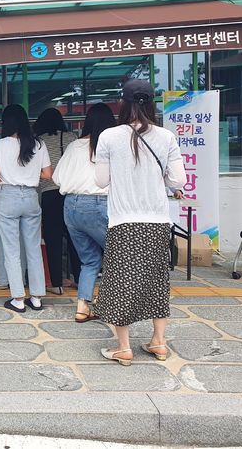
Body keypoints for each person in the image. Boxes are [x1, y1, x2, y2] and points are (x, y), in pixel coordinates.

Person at [94, 79, 186, 366]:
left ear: (123, 103)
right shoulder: (166, 137)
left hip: (123, 220)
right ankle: (158, 342)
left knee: (121, 281)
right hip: (157, 220)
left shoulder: (108, 136)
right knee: (157, 280)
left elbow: (101, 181)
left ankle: (123, 346)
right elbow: (178, 180)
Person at [53, 103, 116, 322]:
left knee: (89, 260)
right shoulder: (112, 147)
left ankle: (82, 307)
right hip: (101, 204)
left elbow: (57, 178)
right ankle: (104, 302)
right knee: (117, 255)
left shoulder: (74, 146)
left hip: (71, 207)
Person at [0, 104, 53, 313]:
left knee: (12, 250)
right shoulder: (38, 144)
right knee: (33, 248)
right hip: (31, 197)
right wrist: (29, 175)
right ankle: (36, 297)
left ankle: (18, 298)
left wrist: (10, 176)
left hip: (9, 197)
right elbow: (47, 174)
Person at [34, 107, 81, 294]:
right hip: (69, 193)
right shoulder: (71, 138)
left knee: (52, 241)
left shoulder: (39, 142)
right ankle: (79, 278)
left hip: (49, 194)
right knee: (75, 240)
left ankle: (56, 283)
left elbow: (38, 174)